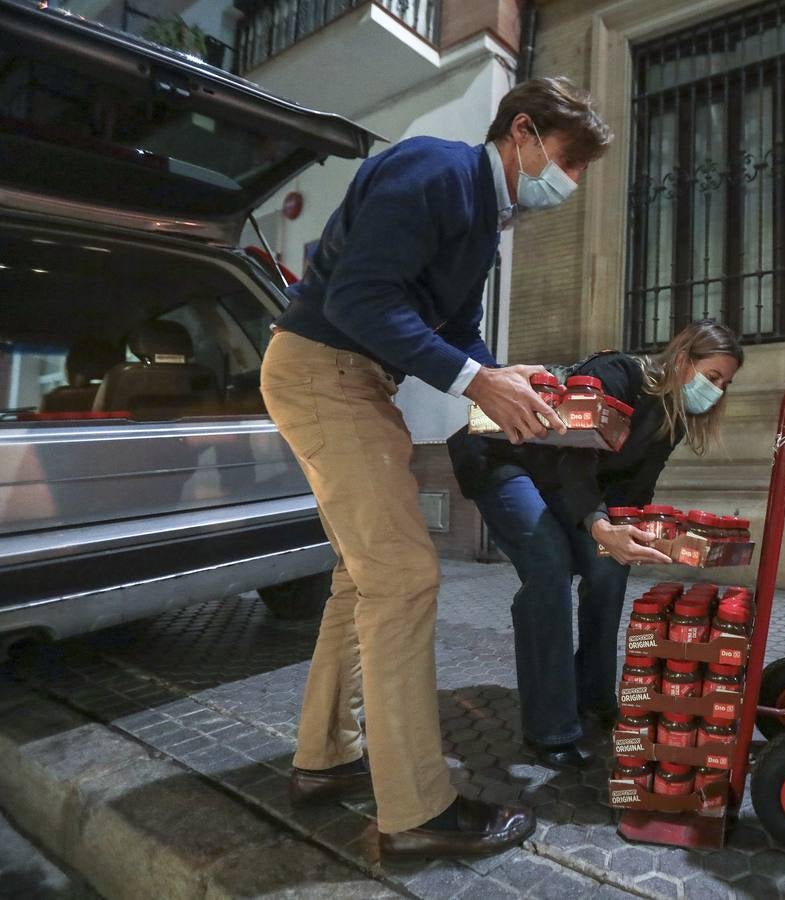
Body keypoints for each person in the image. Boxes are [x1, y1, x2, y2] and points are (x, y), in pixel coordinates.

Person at [259, 76, 612, 859]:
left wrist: (505, 372)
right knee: (405, 577)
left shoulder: (482, 216)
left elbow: (455, 327)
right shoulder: (437, 169)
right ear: (521, 132)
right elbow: (359, 301)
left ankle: (325, 760)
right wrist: (473, 379)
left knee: (364, 578)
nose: (571, 182)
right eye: (568, 160)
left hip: (352, 378)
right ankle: (416, 810)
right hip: (326, 371)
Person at [448, 320, 743, 767]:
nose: (716, 390)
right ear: (683, 359)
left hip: (564, 485)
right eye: (714, 376)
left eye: (725, 384)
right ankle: (550, 729)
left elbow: (633, 489)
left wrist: (636, 534)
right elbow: (575, 456)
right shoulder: (619, 374)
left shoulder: (673, 418)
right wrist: (599, 524)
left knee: (609, 567)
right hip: (507, 456)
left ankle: (594, 698)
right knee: (549, 563)